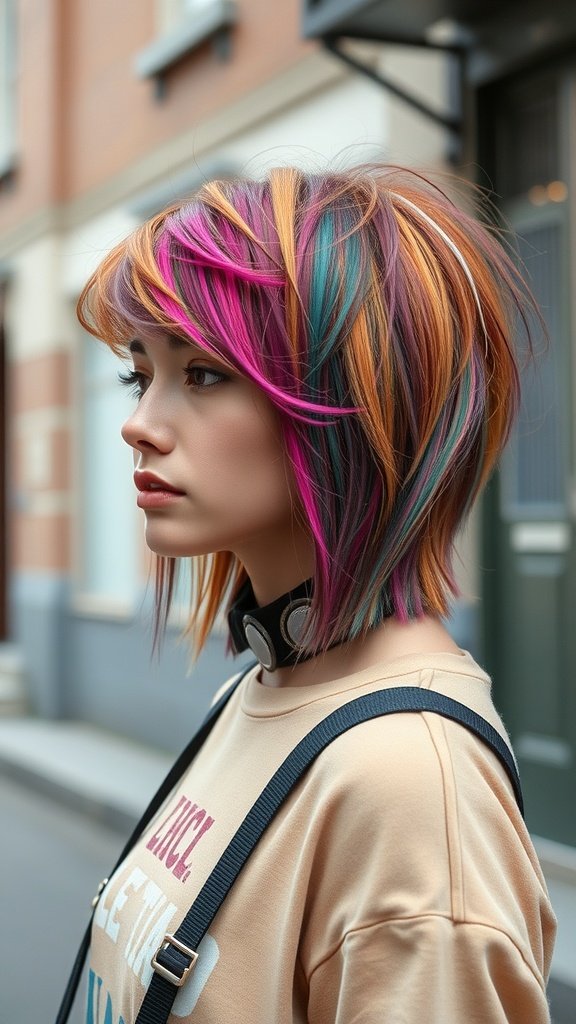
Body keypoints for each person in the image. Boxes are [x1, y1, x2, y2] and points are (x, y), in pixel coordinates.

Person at [77, 165, 556, 1023]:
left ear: (351, 402)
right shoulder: (261, 685)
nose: (138, 422)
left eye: (205, 374)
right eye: (139, 372)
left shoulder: (410, 783)